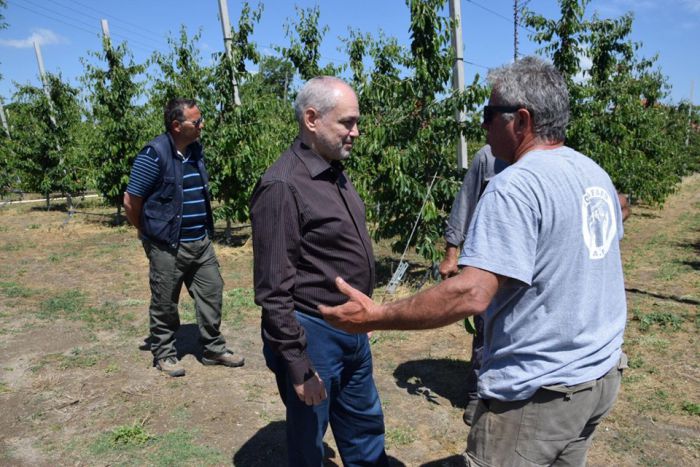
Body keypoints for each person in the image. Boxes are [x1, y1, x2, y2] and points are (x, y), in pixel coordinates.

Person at [320, 57, 628, 466]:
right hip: (598, 378)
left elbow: (471, 293)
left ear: (521, 120)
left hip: (540, 395)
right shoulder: (593, 174)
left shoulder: (515, 186)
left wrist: (375, 315)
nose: (483, 126)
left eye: (489, 114)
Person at [250, 76, 389, 467]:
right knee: (310, 439)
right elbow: (273, 291)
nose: (356, 132)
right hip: (314, 334)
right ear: (312, 119)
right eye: (347, 122)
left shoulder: (332, 171)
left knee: (364, 425)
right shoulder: (282, 186)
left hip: (351, 328)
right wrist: (298, 364)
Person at [124, 98, 244, 377]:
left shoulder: (195, 151)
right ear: (177, 126)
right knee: (165, 301)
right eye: (196, 121)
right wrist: (145, 231)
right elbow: (131, 200)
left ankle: (213, 348)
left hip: (200, 242)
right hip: (167, 245)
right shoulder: (153, 155)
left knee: (212, 293)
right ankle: (165, 353)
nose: (202, 124)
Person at [439, 144, 506, 426]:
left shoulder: (548, 156)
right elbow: (465, 201)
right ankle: (479, 393)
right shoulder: (488, 156)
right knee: (485, 325)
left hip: (530, 259)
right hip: (489, 256)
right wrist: (451, 252)